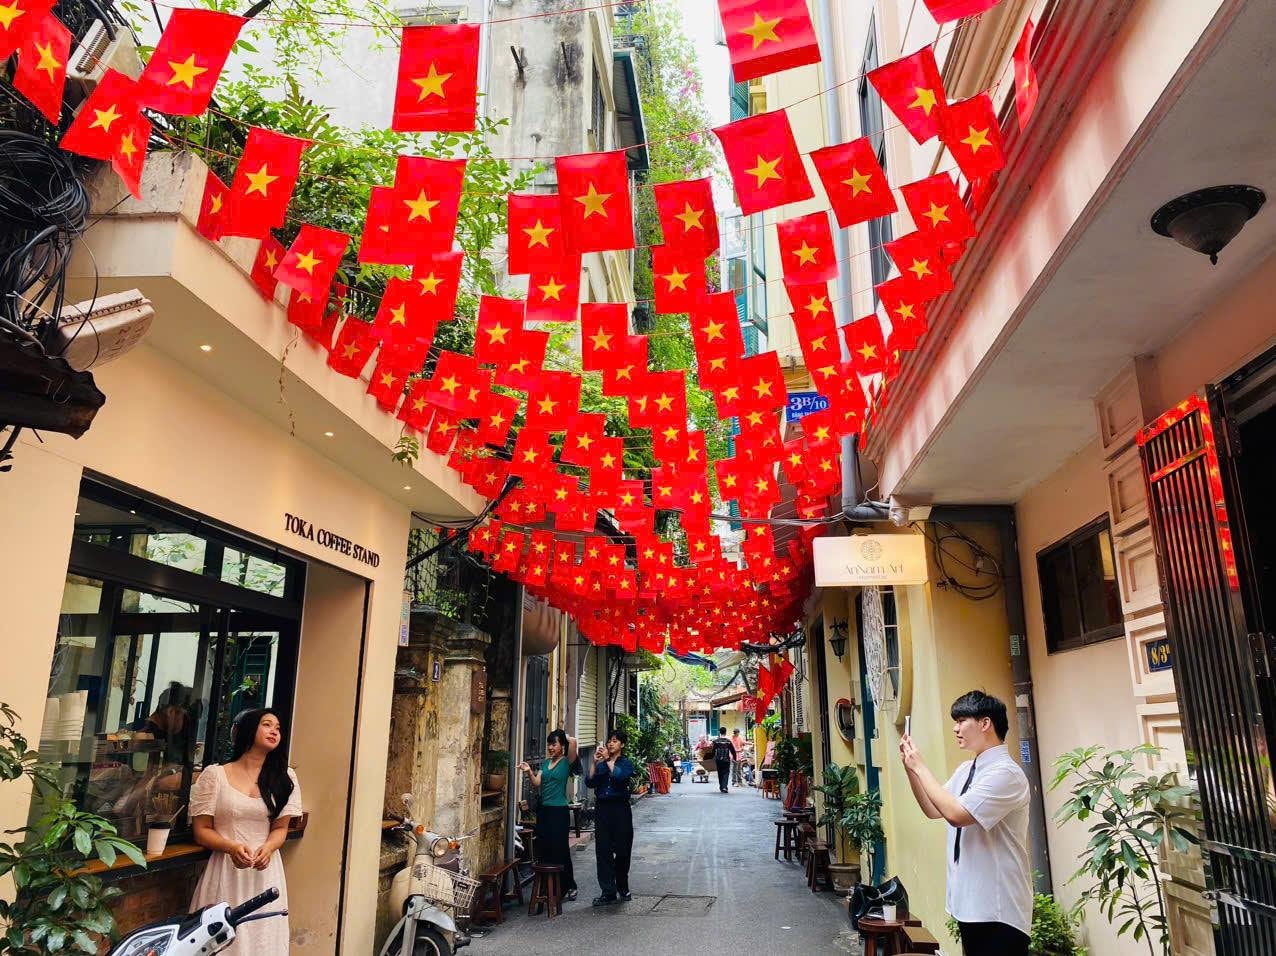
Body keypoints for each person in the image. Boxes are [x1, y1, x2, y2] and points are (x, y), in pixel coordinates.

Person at [899, 690, 1031, 956]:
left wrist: (922, 767)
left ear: (985, 724)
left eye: (961, 721)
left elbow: (956, 815)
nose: (955, 728)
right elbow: (933, 809)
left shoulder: (1006, 774)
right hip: (970, 904)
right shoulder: (966, 771)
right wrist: (911, 769)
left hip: (999, 909)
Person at [190, 708, 303, 955]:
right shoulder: (215, 775)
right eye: (267, 724)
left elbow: (280, 828)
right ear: (249, 730)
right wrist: (231, 847)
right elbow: (201, 830)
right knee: (219, 943)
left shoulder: (285, 777)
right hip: (225, 870)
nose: (274, 731)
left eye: (278, 728)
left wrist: (269, 848)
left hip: (265, 872)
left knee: (263, 942)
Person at [519, 729, 580, 901]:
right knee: (545, 850)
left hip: (559, 811)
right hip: (544, 811)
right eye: (549, 744)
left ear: (561, 745)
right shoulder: (545, 763)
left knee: (560, 850)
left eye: (554, 744)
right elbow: (537, 783)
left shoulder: (567, 762)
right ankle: (549, 886)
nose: (550, 748)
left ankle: (568, 885)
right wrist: (529, 771)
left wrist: (562, 735)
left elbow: (573, 741)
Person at [586, 729, 635, 906]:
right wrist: (594, 762)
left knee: (623, 850)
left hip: (620, 810)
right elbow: (590, 782)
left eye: (614, 741)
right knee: (603, 851)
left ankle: (623, 886)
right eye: (609, 741)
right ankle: (608, 891)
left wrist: (607, 760)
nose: (610, 744)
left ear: (621, 744)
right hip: (603, 809)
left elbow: (621, 777)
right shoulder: (601, 765)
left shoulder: (626, 763)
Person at [711, 728, 736, 793]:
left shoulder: (716, 741)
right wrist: (735, 758)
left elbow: (713, 751)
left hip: (718, 760)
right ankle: (724, 787)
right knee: (726, 773)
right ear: (725, 732)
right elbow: (733, 751)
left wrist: (711, 759)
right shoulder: (728, 741)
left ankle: (721, 787)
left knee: (720, 773)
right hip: (726, 760)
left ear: (720, 733)